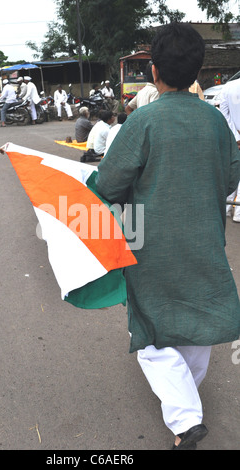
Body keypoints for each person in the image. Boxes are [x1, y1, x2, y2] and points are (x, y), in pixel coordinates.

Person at [95, 23, 240, 450]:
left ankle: (186, 419)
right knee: (196, 324)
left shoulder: (143, 121)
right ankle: (185, 411)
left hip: (151, 244)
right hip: (206, 241)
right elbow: (231, 178)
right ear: (197, 72)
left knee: (150, 331)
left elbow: (108, 184)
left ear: (153, 71)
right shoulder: (217, 122)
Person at [220, 76, 240, 222]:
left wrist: (235, 135)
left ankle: (226, 209)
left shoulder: (228, 86)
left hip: (233, 138)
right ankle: (238, 213)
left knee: (232, 171)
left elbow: (223, 114)